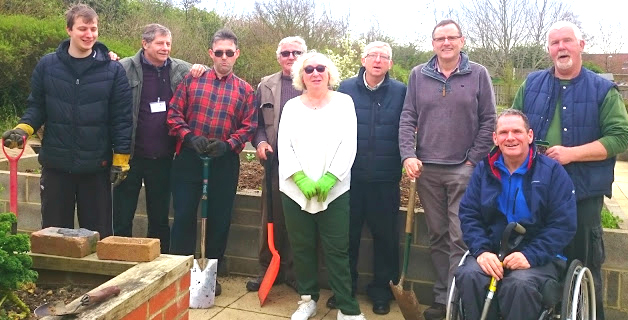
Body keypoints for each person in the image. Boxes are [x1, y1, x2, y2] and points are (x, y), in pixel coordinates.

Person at [511, 21, 628, 319]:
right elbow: (513, 126)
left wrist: (572, 154)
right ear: (549, 49)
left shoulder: (603, 90)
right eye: (555, 43)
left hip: (582, 195)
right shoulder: (532, 84)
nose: (561, 47)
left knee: (584, 268)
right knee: (537, 266)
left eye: (567, 41)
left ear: (580, 45)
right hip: (536, 192)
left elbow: (621, 137)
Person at [2, 4, 132, 238]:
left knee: (98, 237)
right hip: (56, 167)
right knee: (52, 236)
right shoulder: (47, 66)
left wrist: (121, 159)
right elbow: (37, 107)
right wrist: (22, 130)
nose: (89, 34)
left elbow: (121, 119)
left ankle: (97, 276)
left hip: (96, 167)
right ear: (69, 30)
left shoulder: (113, 71)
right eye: (83, 28)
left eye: (93, 28)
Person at [398, 19, 496, 320]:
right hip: (427, 171)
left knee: (460, 235)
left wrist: (472, 160)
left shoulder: (478, 74)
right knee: (438, 235)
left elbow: (489, 120)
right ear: (433, 44)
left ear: (462, 41)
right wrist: (408, 155)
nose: (446, 43)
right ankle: (442, 297)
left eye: (451, 37)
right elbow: (407, 117)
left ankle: (460, 298)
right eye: (440, 38)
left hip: (462, 170)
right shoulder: (418, 75)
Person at [455, 109, 577, 320]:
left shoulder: (552, 172)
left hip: (539, 255)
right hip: (493, 250)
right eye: (503, 132)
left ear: (529, 136)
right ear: (495, 138)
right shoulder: (484, 170)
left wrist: (530, 255)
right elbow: (469, 214)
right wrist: (482, 251)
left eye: (517, 131)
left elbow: (562, 224)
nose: (510, 138)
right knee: (469, 275)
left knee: (519, 285)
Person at [167, 28, 257, 296]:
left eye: (230, 53)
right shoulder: (192, 81)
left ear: (237, 54)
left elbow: (249, 126)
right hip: (189, 159)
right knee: (183, 216)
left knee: (219, 219)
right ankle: (179, 272)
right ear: (211, 54)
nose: (224, 58)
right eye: (219, 53)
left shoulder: (245, 90)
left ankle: (210, 274)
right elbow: (173, 115)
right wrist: (189, 136)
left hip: (223, 162)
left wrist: (228, 145)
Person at [278, 52, 365, 320]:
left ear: (329, 74)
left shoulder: (344, 103)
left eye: (321, 68)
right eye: (309, 69)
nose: (315, 73)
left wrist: (331, 177)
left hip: (335, 189)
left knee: (337, 248)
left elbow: (349, 143)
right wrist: (299, 178)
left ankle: (347, 309)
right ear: (301, 76)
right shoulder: (291, 106)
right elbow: (284, 145)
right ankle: (307, 300)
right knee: (301, 246)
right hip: (295, 190)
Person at [326, 41, 406, 315]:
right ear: (363, 59)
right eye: (373, 55)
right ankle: (344, 290)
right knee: (346, 237)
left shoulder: (401, 92)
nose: (378, 60)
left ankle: (382, 291)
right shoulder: (345, 89)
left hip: (385, 179)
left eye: (384, 57)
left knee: (385, 239)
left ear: (390, 64)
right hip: (350, 178)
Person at [113, 24, 206, 253]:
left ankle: (158, 262)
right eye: (160, 43)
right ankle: (122, 260)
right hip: (130, 155)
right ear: (145, 44)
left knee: (160, 217)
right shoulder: (125, 68)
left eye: (168, 44)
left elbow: (207, 74)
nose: (165, 48)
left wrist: (201, 67)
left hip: (163, 157)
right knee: (123, 214)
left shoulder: (180, 70)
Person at [246, 36, 307, 292]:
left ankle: (294, 272)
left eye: (296, 53)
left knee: (299, 219)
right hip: (275, 165)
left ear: (304, 54)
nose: (290, 57)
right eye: (285, 53)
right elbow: (257, 124)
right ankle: (267, 269)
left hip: (306, 167)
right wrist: (260, 143)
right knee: (270, 219)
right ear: (278, 57)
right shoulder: (266, 85)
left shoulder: (314, 80)